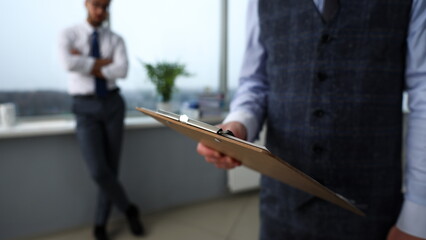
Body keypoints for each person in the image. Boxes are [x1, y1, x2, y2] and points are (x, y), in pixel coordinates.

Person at [197, 0, 426, 239]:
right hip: (281, 206)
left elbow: (423, 91)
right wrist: (238, 124)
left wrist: (417, 218)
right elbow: (255, 83)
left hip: (371, 207)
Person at [58, 0, 144, 239]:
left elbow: (122, 70)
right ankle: (129, 209)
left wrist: (84, 62)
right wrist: (102, 64)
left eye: (106, 6)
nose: (101, 11)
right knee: (98, 170)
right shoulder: (69, 34)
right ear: (86, 4)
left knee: (111, 169)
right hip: (84, 106)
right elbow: (67, 62)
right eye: (97, 4)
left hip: (113, 105)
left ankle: (100, 224)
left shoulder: (116, 39)